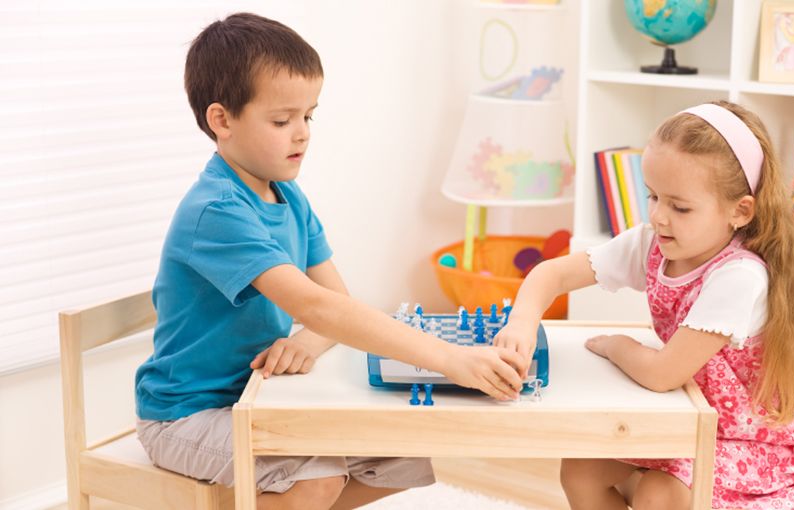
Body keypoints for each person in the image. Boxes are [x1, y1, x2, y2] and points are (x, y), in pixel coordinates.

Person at [134, 12, 526, 510]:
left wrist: (307, 341)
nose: (302, 134)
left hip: (260, 396)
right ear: (222, 120)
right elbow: (318, 306)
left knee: (401, 457)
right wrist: (448, 358)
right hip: (187, 416)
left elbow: (335, 303)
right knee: (317, 476)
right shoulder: (217, 210)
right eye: (282, 121)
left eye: (308, 116)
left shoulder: (288, 197)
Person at [495, 101, 794, 509]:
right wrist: (522, 322)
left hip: (746, 440)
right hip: (681, 418)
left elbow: (663, 373)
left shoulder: (739, 276)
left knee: (658, 493)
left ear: (740, 211)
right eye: (653, 196)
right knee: (580, 469)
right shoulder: (653, 243)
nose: (659, 216)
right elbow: (553, 275)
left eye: (680, 207)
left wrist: (616, 345)